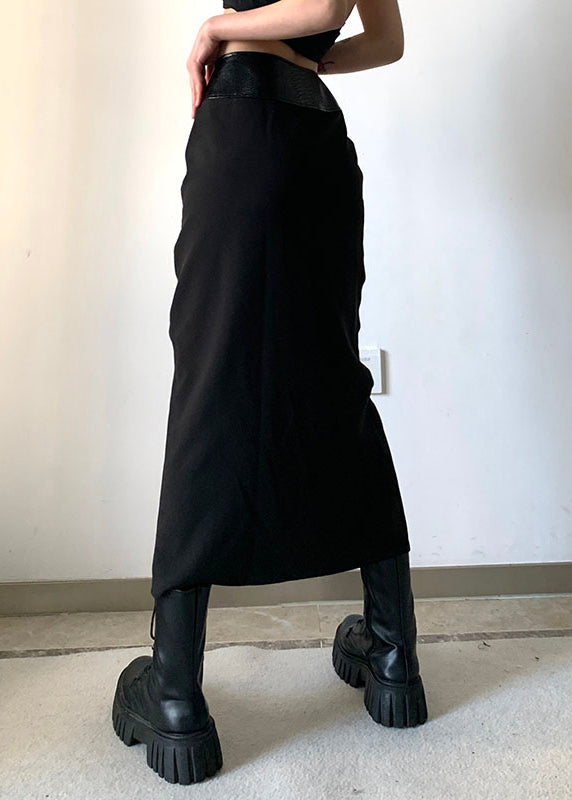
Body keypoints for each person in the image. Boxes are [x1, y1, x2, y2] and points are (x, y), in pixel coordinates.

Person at [111, 0, 428, 785]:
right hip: (318, 135)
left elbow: (321, 4)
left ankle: (175, 694)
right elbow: (384, 40)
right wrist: (309, 57)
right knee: (335, 383)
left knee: (210, 383)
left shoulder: (228, 42)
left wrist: (218, 30)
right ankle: (392, 654)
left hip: (244, 129)